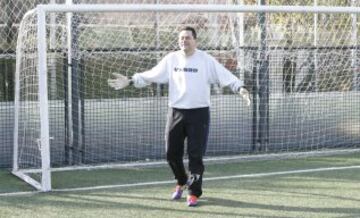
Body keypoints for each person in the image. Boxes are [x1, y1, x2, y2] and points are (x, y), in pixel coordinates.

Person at [108, 26, 250, 207]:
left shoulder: (205, 60)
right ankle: (182, 181)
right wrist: (130, 80)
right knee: (171, 154)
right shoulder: (171, 59)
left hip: (199, 114)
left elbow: (225, 76)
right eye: (181, 38)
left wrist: (240, 88)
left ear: (195, 41)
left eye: (188, 38)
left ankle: (194, 193)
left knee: (195, 156)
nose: (184, 41)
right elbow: (152, 74)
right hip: (176, 112)